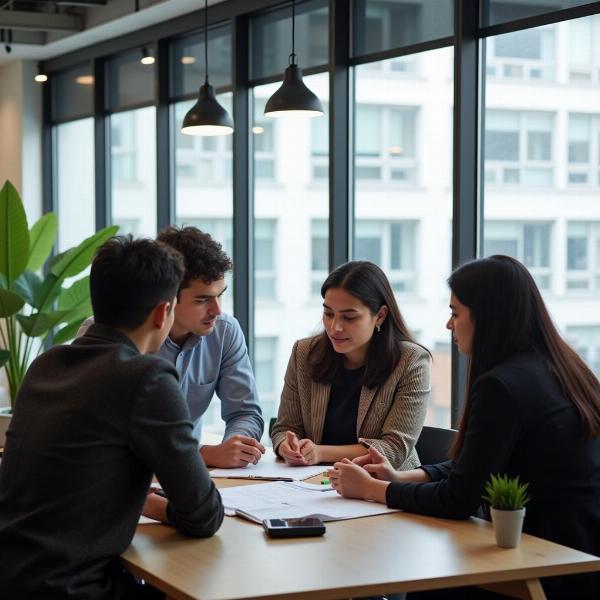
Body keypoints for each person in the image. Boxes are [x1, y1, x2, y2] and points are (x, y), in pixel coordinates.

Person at [329, 255, 600, 600]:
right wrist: (401, 478)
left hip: (545, 565)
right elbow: (477, 465)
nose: (448, 324)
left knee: (424, 583)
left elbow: (459, 499)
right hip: (578, 551)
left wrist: (371, 490)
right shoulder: (563, 367)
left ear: (487, 316)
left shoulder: (502, 386)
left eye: (456, 313)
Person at [0, 236, 224, 600]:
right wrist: (158, 507)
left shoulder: (48, 364)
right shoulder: (146, 378)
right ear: (161, 312)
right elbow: (204, 516)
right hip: (71, 588)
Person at [79, 226, 265, 468]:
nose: (217, 310)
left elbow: (245, 412)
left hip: (185, 476)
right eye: (202, 299)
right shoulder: (107, 332)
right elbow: (102, 436)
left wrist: (235, 448)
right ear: (167, 297)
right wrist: (204, 454)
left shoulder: (225, 331)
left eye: (220, 295)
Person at [271, 260, 430, 468]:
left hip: (383, 486)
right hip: (312, 483)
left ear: (380, 316)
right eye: (328, 314)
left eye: (349, 317)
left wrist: (319, 452)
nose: (334, 327)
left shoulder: (410, 362)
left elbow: (394, 448)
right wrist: (287, 446)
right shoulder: (304, 354)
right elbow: (284, 427)